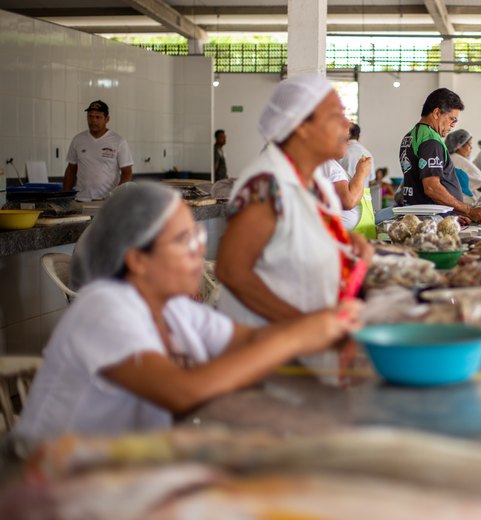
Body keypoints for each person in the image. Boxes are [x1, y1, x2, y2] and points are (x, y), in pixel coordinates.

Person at [14, 183, 358, 442]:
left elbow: (249, 339)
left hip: (124, 467)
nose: (198, 250)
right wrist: (296, 337)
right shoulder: (103, 309)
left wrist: (319, 335)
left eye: (196, 235)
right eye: (183, 241)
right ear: (137, 259)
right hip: (58, 484)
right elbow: (182, 391)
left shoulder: (175, 310)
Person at [215, 75, 373, 332]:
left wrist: (345, 244)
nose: (347, 124)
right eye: (336, 115)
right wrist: (303, 326)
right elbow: (232, 271)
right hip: (268, 339)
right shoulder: (265, 184)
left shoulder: (315, 180)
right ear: (301, 126)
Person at [399, 88, 481, 224]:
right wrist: (469, 210)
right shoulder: (431, 141)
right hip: (430, 220)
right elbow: (432, 188)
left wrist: (452, 213)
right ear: (437, 113)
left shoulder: (411, 135)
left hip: (425, 216)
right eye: (452, 119)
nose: (453, 125)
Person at [63, 100, 133, 201]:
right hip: (81, 199)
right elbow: (71, 170)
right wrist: (65, 198)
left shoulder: (118, 141)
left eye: (98, 117)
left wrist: (117, 195)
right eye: (90, 116)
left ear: (107, 119)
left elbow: (127, 172)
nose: (93, 121)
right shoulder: (78, 140)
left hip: (107, 201)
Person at [325, 156, 376, 239]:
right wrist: (361, 172)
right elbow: (349, 201)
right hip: (345, 240)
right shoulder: (327, 164)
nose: (347, 142)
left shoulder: (331, 164)